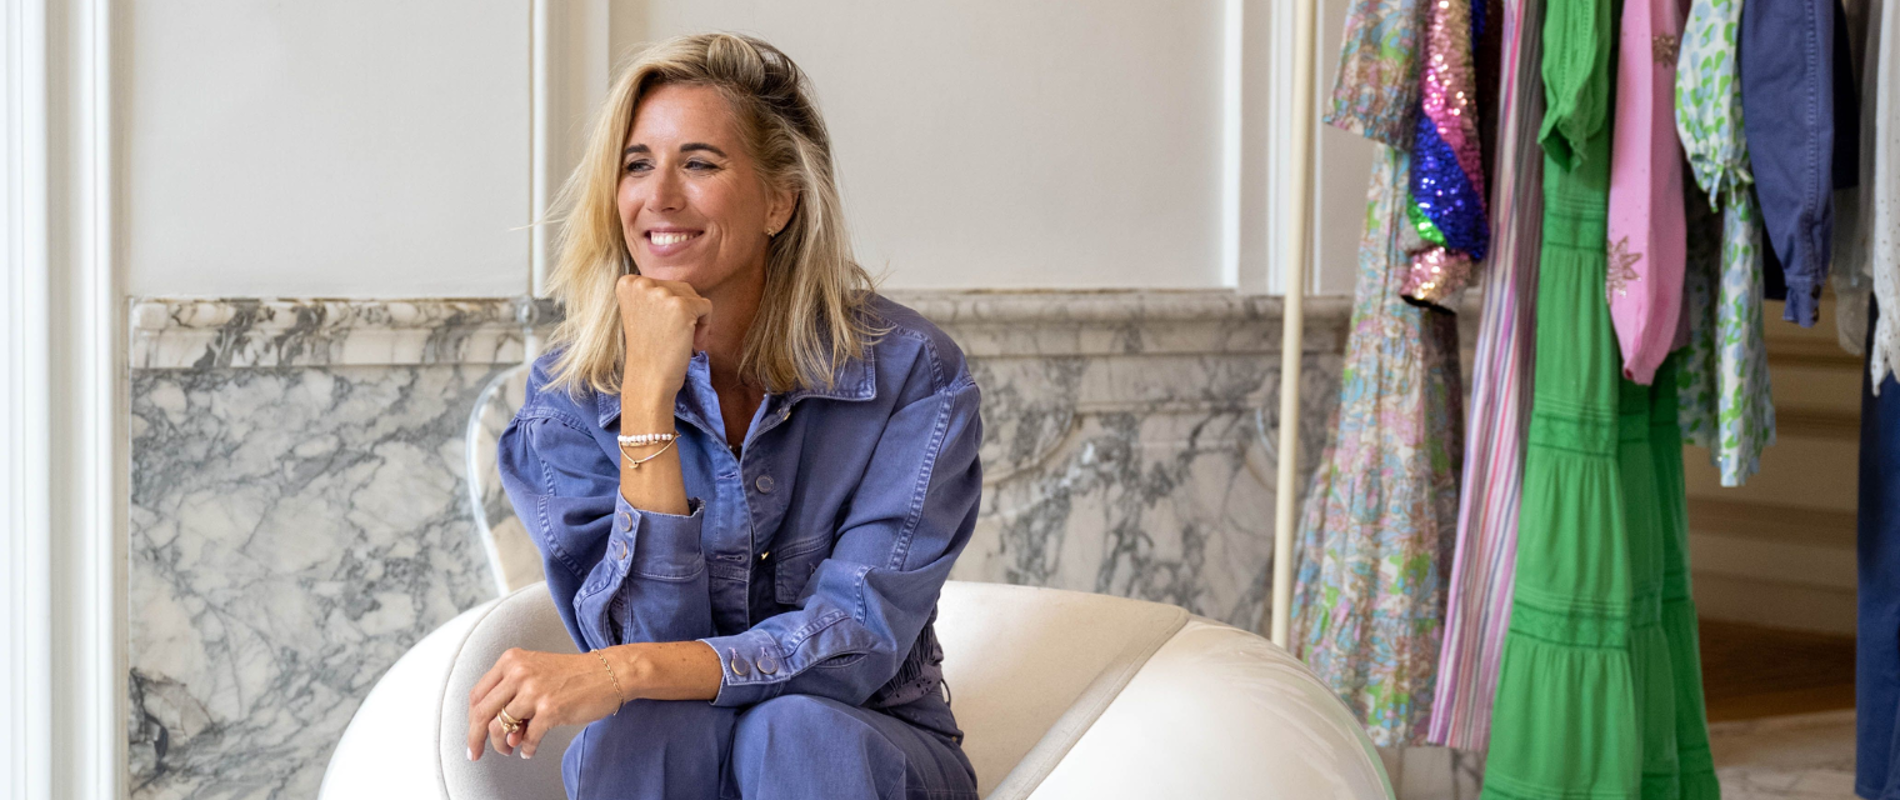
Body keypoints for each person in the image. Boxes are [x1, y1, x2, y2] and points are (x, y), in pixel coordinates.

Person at [464, 32, 984, 800]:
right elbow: (640, 645)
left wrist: (628, 671)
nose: (659, 197)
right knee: (646, 730)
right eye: (636, 165)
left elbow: (857, 639)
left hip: (864, 743)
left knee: (792, 730)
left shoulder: (910, 374)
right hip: (668, 748)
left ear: (780, 201)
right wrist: (647, 393)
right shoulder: (567, 401)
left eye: (700, 164)